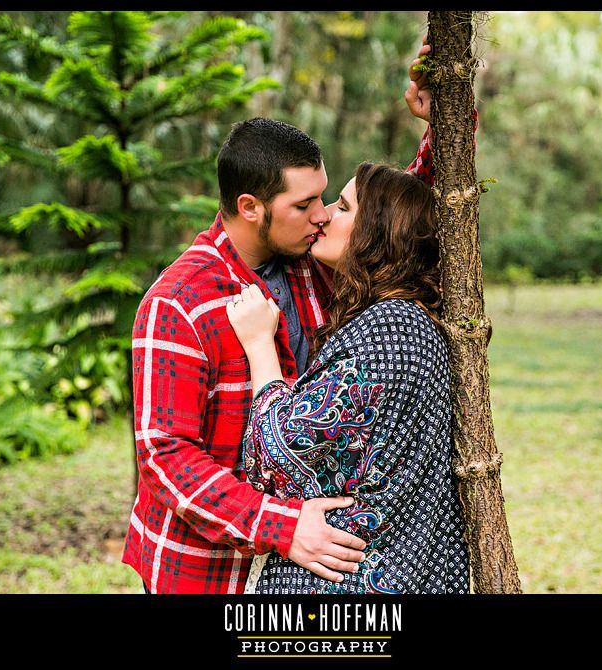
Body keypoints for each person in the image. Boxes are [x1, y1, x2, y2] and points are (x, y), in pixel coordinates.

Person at [121, 45, 438, 594]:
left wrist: (441, 125)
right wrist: (283, 528)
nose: (320, 217)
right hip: (209, 567)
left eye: (325, 199)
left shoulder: (307, 263)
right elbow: (166, 457)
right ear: (250, 207)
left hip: (306, 570)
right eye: (303, 205)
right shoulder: (178, 302)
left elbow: (389, 227)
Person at [226, 158, 470, 594]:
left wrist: (260, 344)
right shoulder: (407, 319)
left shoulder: (389, 328)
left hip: (347, 589)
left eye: (341, 206)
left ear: (376, 231)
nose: (323, 216)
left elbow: (276, 451)